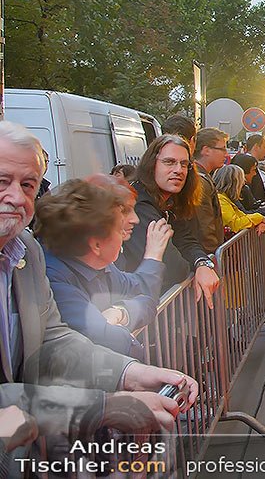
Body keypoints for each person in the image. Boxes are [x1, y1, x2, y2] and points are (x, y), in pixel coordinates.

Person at [0, 121, 200, 449]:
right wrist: (104, 406)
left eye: (28, 184)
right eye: (2, 181)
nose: (16, 197)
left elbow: (53, 340)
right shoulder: (48, 262)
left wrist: (130, 373)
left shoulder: (26, 251)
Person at [36, 177, 170, 359]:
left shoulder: (99, 265)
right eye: (119, 230)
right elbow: (110, 341)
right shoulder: (54, 278)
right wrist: (123, 335)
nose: (133, 221)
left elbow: (147, 300)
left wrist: (120, 312)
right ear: (96, 245)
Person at [120, 135, 221, 304]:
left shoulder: (170, 200)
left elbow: (186, 240)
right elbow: (171, 266)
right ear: (152, 164)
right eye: (169, 162)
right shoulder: (138, 204)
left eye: (184, 164)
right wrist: (194, 271)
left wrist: (202, 263)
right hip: (139, 306)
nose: (178, 170)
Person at [181, 127, 228, 256]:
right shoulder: (199, 181)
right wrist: (212, 258)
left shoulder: (202, 177)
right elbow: (204, 226)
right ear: (206, 150)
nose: (226, 154)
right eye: (222, 149)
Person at [214, 165, 265, 235]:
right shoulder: (220, 199)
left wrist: (261, 218)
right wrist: (259, 218)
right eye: (241, 180)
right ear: (234, 183)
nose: (243, 183)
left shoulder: (226, 198)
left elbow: (242, 216)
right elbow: (236, 224)